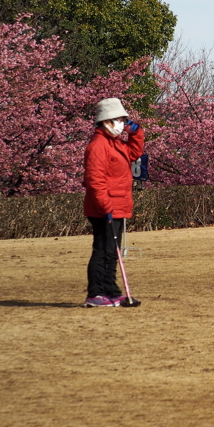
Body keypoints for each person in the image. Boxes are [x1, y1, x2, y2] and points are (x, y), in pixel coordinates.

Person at [83, 98, 145, 307]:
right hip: (105, 208)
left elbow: (135, 153)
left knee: (112, 252)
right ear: (106, 122)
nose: (122, 124)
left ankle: (111, 290)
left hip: (118, 205)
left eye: (123, 120)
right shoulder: (98, 145)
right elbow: (95, 180)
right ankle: (96, 293)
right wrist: (105, 207)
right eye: (118, 120)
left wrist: (136, 132)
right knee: (103, 250)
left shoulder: (116, 143)